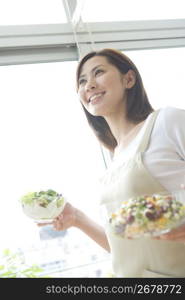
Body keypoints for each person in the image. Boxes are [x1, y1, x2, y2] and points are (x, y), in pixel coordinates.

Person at [40, 48, 185, 277]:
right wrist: (77, 218)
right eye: (82, 81)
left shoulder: (167, 122)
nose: (89, 85)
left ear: (128, 79)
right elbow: (125, 250)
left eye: (98, 72)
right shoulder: (116, 158)